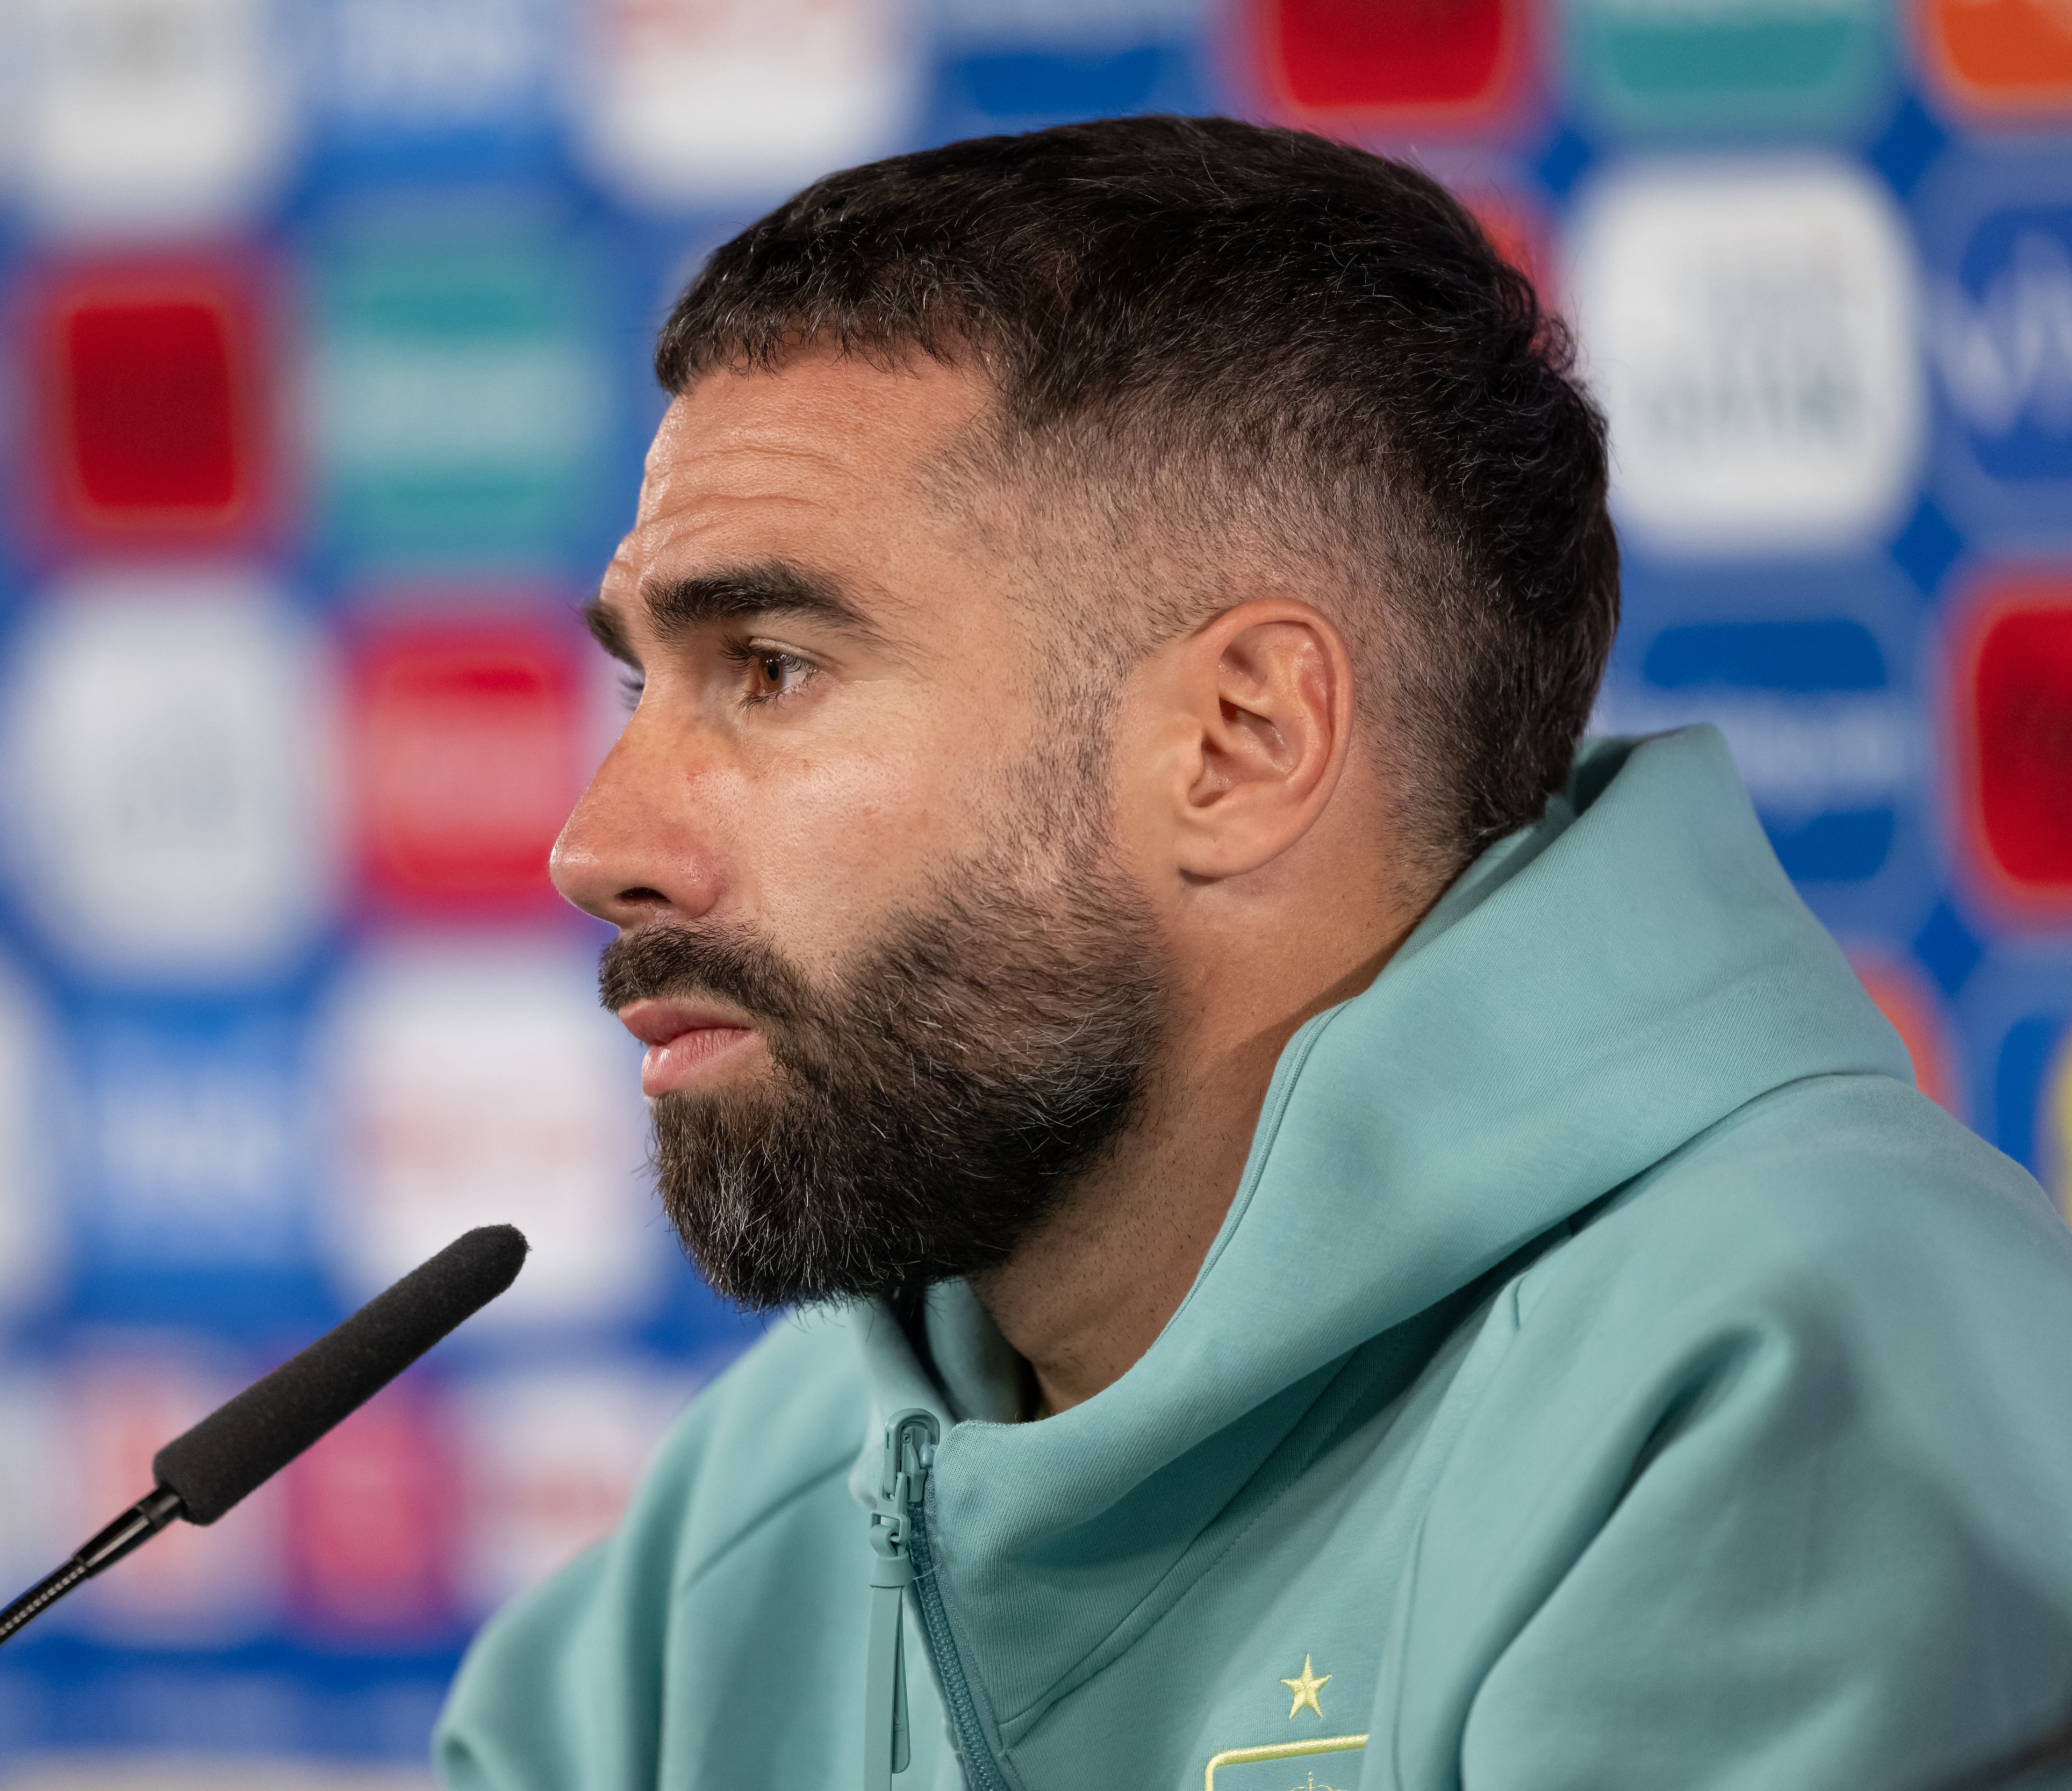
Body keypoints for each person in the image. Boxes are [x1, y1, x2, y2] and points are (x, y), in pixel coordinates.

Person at [433, 116, 2072, 1791]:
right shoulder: (765, 1503)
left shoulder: (1785, 1391)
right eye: (648, 684)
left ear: (1239, 740)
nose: (597, 850)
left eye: (770, 669)